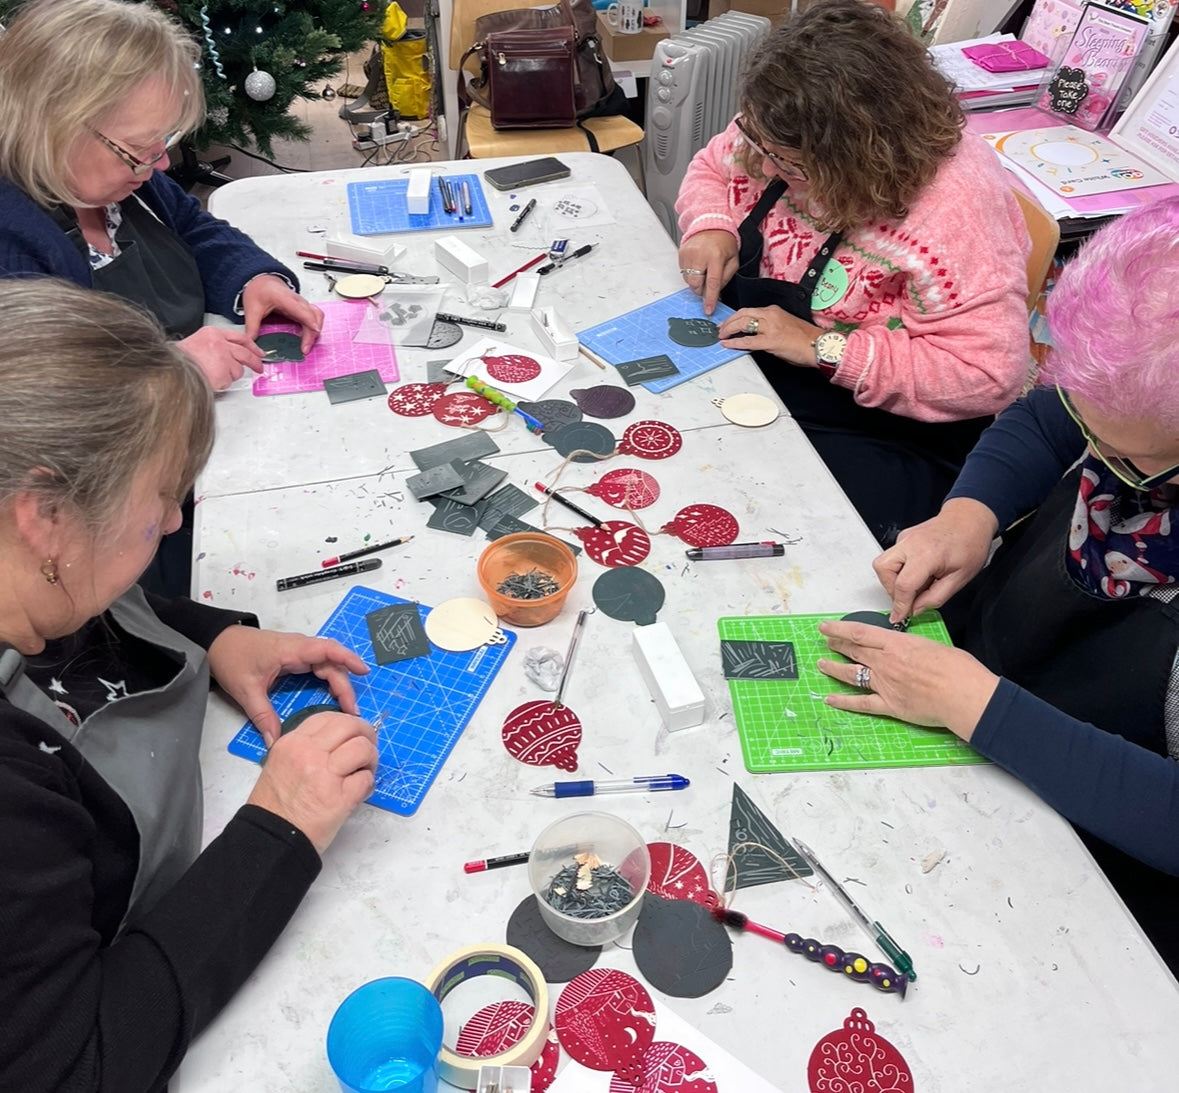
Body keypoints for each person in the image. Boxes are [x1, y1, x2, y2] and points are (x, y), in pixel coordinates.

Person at [0, 278, 379, 1091]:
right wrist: (281, 827)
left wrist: (215, 636)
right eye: (161, 499)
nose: (175, 522)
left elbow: (105, 594)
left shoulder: (34, 569)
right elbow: (81, 1063)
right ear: (46, 515)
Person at [814, 195, 1179, 968]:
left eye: (1129, 461)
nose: (1100, 460)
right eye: (1095, 437)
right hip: (1002, 690)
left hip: (1105, 878)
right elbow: (1051, 417)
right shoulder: (1135, 403)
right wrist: (969, 514)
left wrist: (975, 705)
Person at [675, 0, 1031, 546]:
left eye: (790, 164)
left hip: (886, 430)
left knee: (784, 533)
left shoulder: (953, 212)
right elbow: (713, 166)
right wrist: (711, 224)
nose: (767, 168)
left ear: (863, 154)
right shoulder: (781, 122)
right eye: (762, 147)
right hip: (772, 369)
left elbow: (986, 375)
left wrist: (826, 346)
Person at [0, 0, 323, 393]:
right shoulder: (13, 248)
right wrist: (168, 372)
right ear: (48, 128)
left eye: (165, 140)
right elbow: (35, 392)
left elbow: (192, 227)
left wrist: (253, 279)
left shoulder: (130, 182)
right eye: (138, 148)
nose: (163, 164)